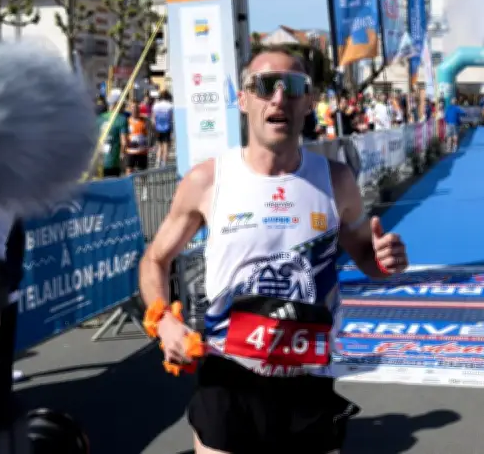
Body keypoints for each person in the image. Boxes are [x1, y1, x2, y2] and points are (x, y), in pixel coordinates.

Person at [139, 46, 408, 453]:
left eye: (294, 87)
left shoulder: (335, 181)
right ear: (244, 100)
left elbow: (367, 259)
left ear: (309, 102)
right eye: (264, 86)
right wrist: (162, 321)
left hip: (308, 380)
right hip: (230, 378)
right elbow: (155, 259)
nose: (279, 97)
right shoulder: (208, 180)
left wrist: (385, 261)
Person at [95, 97, 128, 177]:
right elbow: (124, 142)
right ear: (117, 105)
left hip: (99, 161)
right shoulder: (121, 119)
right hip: (113, 161)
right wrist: (122, 155)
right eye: (122, 105)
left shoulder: (99, 118)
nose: (123, 107)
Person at [125, 100, 149, 174]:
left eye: (136, 107)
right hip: (130, 151)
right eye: (133, 108)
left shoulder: (145, 120)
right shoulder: (126, 121)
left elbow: (152, 132)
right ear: (130, 109)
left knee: (143, 173)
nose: (135, 109)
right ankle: (127, 185)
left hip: (142, 151)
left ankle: (144, 186)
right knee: (129, 171)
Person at [152, 91, 174, 168]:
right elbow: (171, 118)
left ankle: (157, 161)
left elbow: (153, 118)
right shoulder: (170, 105)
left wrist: (154, 128)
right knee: (166, 146)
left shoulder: (156, 105)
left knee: (159, 146)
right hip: (167, 128)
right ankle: (163, 164)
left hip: (158, 128)